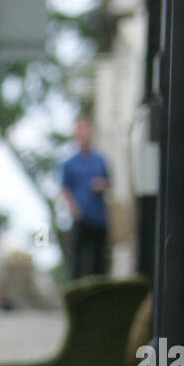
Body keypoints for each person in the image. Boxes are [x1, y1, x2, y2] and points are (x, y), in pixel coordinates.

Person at [60, 116, 110, 279]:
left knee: (99, 261)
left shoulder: (100, 160)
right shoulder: (70, 163)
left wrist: (102, 185)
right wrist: (74, 209)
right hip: (81, 217)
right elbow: (64, 188)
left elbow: (108, 182)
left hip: (99, 217)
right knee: (77, 261)